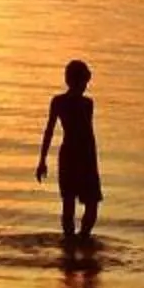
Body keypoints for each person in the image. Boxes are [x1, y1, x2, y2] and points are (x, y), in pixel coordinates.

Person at [35, 57, 101, 241]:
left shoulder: (85, 103)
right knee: (71, 202)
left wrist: (43, 160)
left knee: (88, 202)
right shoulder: (65, 102)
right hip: (76, 154)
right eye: (84, 81)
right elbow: (49, 130)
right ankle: (74, 240)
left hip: (83, 155)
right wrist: (42, 160)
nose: (85, 85)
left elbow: (87, 133)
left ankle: (80, 238)